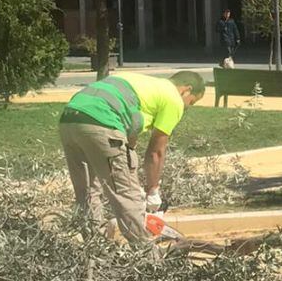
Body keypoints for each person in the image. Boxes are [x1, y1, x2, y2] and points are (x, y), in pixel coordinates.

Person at [58, 71, 205, 241]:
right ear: (186, 90)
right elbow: (156, 152)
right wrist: (152, 191)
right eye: (191, 102)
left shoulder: (144, 84)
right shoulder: (173, 99)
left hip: (70, 118)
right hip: (102, 120)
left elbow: (128, 139)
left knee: (87, 192)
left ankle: (94, 251)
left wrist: (130, 173)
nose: (188, 107)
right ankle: (147, 260)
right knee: (127, 197)